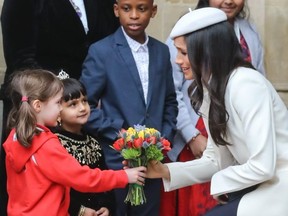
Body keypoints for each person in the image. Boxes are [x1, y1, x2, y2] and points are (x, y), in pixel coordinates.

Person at [147, 7, 288, 216]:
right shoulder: (211, 87)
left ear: (207, 51)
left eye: (184, 53)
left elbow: (263, 166)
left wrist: (220, 182)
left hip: (278, 187)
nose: (177, 60)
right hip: (254, 188)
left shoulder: (246, 84)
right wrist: (164, 171)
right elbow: (215, 160)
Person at [0, 1, 119, 214]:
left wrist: (84, 97)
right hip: (40, 110)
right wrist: (61, 95)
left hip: (82, 110)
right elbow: (21, 62)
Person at [80, 0, 178, 215]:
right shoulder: (101, 51)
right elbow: (84, 105)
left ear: (153, 11)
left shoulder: (161, 51)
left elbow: (170, 100)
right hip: (116, 160)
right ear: (116, 10)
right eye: (127, 9)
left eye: (141, 9)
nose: (134, 15)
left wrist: (163, 139)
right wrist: (119, 133)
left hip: (154, 158)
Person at [3, 69, 146, 216]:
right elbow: (83, 178)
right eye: (58, 102)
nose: (60, 108)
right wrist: (124, 176)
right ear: (38, 106)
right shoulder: (46, 144)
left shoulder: (16, 136)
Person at [52, 75, 115, 216]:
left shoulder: (93, 141)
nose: (82, 108)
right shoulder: (55, 143)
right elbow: (58, 189)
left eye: (84, 101)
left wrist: (106, 206)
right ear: (57, 111)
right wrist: (80, 210)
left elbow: (104, 177)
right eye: (73, 104)